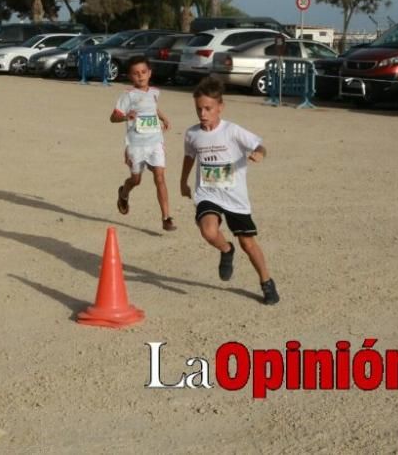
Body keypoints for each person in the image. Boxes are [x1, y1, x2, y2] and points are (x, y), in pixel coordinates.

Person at [180, 77, 279, 305]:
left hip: (234, 197)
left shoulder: (233, 131)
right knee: (208, 231)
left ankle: (266, 281)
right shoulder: (192, 134)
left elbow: (259, 145)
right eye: (199, 109)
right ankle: (226, 249)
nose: (203, 114)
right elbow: (189, 157)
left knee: (248, 243)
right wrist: (183, 182)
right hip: (208, 193)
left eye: (208, 108)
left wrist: (260, 153)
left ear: (220, 107)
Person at [111, 56, 176, 232]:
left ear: (149, 73)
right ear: (130, 76)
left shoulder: (155, 92)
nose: (140, 76)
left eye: (143, 72)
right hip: (136, 145)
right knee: (136, 179)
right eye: (135, 73)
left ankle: (166, 217)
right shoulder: (128, 95)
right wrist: (125, 116)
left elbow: (152, 107)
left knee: (160, 177)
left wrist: (163, 118)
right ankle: (123, 193)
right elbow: (113, 117)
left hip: (155, 142)